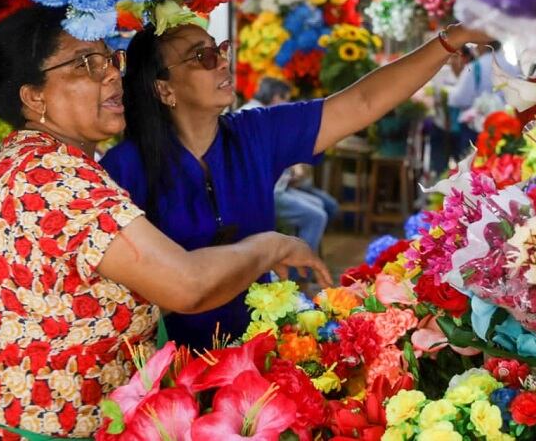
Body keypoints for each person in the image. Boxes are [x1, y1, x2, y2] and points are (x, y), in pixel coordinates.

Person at [0, 6, 330, 440]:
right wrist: (272, 246)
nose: (112, 74)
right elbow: (188, 286)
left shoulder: (40, 162)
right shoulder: (53, 177)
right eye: (86, 64)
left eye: (110, 59)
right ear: (35, 97)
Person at [101, 22, 493, 349]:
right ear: (164, 89)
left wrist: (451, 40)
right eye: (202, 57)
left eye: (220, 50)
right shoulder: (124, 168)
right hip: (166, 362)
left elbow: (362, 102)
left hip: (260, 346)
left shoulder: (255, 133)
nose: (221, 62)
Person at [240, 77, 338, 258]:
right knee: (317, 216)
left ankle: (296, 259)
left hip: (275, 187)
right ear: (276, 97)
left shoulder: (255, 113)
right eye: (286, 99)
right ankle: (296, 270)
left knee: (320, 205)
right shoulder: (257, 116)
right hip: (264, 193)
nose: (288, 104)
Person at [447, 41, 517, 156]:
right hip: (506, 126)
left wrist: (451, 91)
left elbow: (460, 99)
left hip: (476, 130)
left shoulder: (476, 66)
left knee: (474, 162)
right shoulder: (512, 67)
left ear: (482, 45)